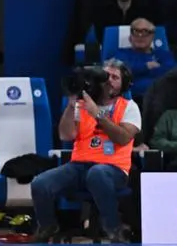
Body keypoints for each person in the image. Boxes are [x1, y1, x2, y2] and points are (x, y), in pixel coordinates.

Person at [31, 59, 140, 242]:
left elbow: (122, 138)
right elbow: (66, 135)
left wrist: (97, 113)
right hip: (79, 167)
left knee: (97, 173)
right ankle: (48, 225)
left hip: (113, 170)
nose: (109, 80)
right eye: (106, 75)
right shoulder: (82, 105)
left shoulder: (129, 106)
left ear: (124, 83)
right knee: (40, 183)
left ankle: (114, 228)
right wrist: (72, 103)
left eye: (115, 77)